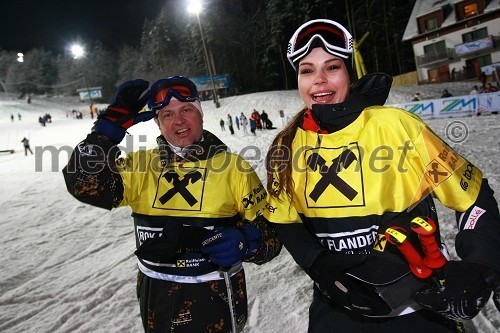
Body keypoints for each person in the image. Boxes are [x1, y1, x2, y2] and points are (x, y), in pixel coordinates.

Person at [263, 19, 500, 333]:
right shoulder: (287, 145)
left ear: (349, 73)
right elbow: (283, 219)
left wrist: (480, 263)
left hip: (418, 312)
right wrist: (317, 263)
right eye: (307, 70)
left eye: (332, 67)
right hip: (336, 312)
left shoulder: (396, 125)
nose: (319, 81)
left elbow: (473, 194)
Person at [62, 76, 281, 333]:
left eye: (186, 110)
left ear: (200, 115)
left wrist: (248, 239)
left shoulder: (234, 168)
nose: (178, 120)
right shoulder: (140, 166)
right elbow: (84, 186)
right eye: (167, 114)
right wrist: (104, 133)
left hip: (216, 304)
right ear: (158, 123)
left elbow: (272, 234)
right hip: (157, 304)